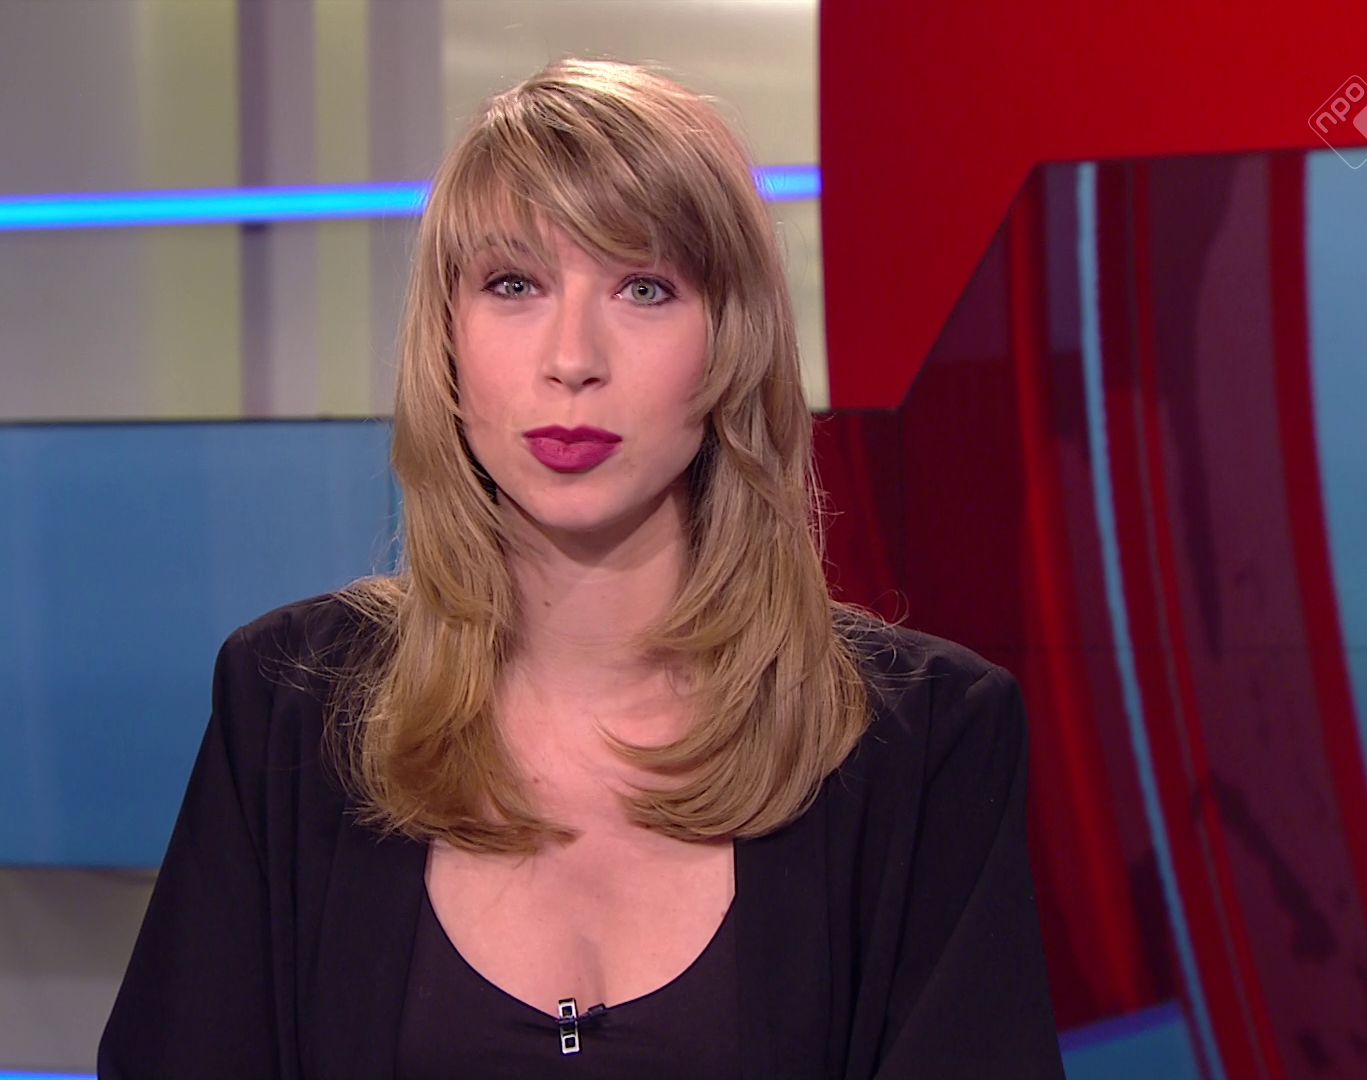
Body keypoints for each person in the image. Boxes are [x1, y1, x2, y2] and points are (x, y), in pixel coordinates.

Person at [97, 56, 1064, 1079]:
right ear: (448, 339)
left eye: (644, 288)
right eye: (513, 285)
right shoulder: (290, 705)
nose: (572, 358)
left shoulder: (927, 740)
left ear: (731, 343)